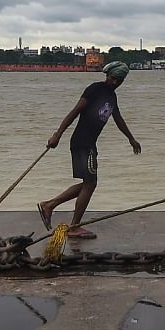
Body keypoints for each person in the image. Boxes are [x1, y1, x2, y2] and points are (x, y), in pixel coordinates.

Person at [37, 61, 141, 239]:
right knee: (90, 183)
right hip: (82, 142)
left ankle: (49, 205)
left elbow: (118, 119)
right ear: (107, 75)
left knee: (88, 183)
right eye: (113, 78)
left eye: (120, 80)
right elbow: (74, 112)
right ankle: (74, 226)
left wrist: (131, 138)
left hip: (88, 143)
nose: (116, 82)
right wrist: (57, 135)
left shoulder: (111, 96)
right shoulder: (95, 89)